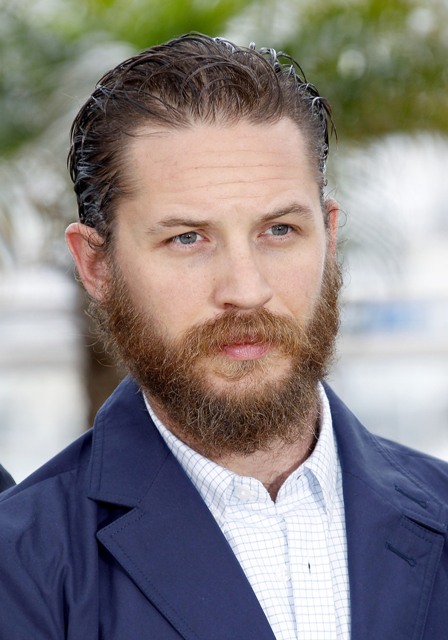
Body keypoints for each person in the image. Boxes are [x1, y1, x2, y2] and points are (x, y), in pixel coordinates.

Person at [0, 33, 447, 640]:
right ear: (96, 265)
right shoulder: (20, 567)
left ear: (329, 234)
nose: (246, 289)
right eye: (187, 238)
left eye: (279, 230)